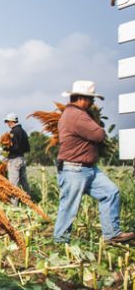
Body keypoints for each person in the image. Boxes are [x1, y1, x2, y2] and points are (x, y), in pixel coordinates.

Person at [53, 80, 134, 244]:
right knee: (69, 206)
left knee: (110, 192)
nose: (93, 103)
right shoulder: (77, 115)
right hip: (75, 169)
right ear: (82, 98)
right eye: (91, 99)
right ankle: (60, 241)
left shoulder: (76, 114)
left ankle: (112, 234)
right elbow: (98, 135)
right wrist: (98, 124)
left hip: (88, 169)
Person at [3, 112, 31, 205]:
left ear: (12, 121)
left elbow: (14, 147)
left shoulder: (13, 132)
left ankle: (14, 205)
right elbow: (27, 147)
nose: (7, 123)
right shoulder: (23, 131)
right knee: (24, 182)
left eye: (8, 121)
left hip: (14, 160)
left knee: (13, 183)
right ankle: (29, 202)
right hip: (22, 158)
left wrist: (6, 148)